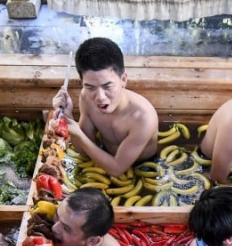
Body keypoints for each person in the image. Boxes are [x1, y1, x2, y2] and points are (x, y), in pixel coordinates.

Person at [51, 38, 158, 178]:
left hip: (144, 168)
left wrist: (78, 133)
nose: (100, 97)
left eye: (107, 86)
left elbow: (116, 169)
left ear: (123, 80)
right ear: (81, 83)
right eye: (90, 87)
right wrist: (68, 117)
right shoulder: (86, 98)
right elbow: (83, 151)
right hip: (103, 158)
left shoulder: (143, 117)